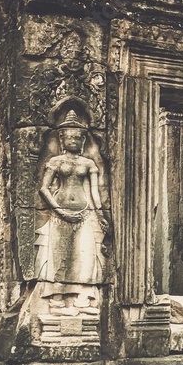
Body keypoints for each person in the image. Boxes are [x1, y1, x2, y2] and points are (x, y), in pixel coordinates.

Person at [34, 109, 107, 313]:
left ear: (83, 141)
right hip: (60, 214)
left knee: (86, 254)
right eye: (70, 137)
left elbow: (95, 192)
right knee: (59, 255)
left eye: (77, 137)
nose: (73, 140)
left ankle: (83, 299)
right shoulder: (56, 161)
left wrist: (100, 214)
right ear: (62, 139)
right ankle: (57, 300)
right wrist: (59, 210)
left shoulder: (88, 163)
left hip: (84, 213)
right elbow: (44, 188)